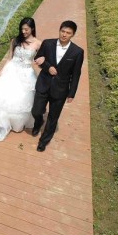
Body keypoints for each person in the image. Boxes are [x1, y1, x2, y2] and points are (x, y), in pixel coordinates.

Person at [0, 17, 42, 141]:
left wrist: (41, 61)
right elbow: (9, 58)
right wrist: (0, 72)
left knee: (22, 98)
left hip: (27, 73)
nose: (23, 32)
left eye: (26, 29)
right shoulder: (15, 40)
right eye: (22, 29)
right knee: (6, 96)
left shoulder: (38, 43)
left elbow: (42, 59)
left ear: (32, 28)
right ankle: (1, 122)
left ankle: (17, 123)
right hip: (12, 70)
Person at [32, 20, 84, 151]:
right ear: (59, 30)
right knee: (36, 111)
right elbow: (38, 58)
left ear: (73, 34)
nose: (64, 35)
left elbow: (76, 74)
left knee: (53, 118)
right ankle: (38, 123)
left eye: (68, 33)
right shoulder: (47, 43)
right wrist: (47, 66)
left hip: (60, 89)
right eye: (63, 31)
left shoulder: (77, 52)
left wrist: (72, 93)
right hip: (43, 83)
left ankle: (43, 141)